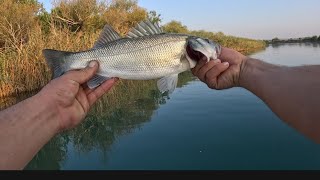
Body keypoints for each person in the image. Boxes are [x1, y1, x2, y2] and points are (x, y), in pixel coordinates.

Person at [0, 47, 319, 170]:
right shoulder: (185, 50)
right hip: (100, 63)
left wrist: (248, 69)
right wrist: (250, 69)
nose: (213, 48)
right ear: (195, 45)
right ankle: (66, 61)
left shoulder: (188, 56)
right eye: (209, 43)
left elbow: (167, 80)